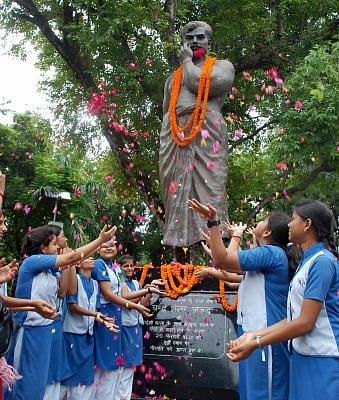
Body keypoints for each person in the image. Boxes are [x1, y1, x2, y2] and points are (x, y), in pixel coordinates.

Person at [187, 198, 301, 400]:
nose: (258, 221)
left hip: (266, 339)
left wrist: (221, 227)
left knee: (265, 394)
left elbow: (224, 260)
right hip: (254, 336)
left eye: (265, 219)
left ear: (268, 232)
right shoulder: (268, 255)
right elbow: (229, 269)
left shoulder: (271, 253)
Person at [227, 199, 339, 400]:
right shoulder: (307, 261)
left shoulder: (322, 262)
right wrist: (253, 335)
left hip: (322, 359)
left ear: (307, 224)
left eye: (294, 219)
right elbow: (294, 318)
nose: (289, 223)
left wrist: (257, 342)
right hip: (302, 355)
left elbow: (305, 323)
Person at [4, 223, 117, 400]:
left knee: (38, 388)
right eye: (54, 243)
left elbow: (73, 265)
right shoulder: (32, 262)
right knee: (24, 387)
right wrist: (100, 240)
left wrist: (78, 257)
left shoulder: (50, 270)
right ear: (43, 247)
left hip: (46, 331)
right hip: (29, 332)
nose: (58, 247)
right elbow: (72, 258)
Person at [159, 21, 235, 257]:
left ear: (208, 42)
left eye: (199, 37)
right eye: (189, 38)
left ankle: (213, 255)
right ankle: (178, 256)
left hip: (206, 134)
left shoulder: (222, 67)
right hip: (175, 135)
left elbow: (198, 83)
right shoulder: (174, 78)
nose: (194, 42)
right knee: (174, 196)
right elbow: (166, 110)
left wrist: (186, 61)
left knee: (211, 190)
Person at [91, 240, 152, 400]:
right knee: (103, 364)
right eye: (105, 246)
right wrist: (136, 305)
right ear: (98, 249)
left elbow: (124, 293)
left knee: (114, 365)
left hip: (117, 317)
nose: (109, 248)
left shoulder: (116, 269)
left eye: (112, 245)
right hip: (106, 315)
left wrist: (148, 290)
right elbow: (108, 294)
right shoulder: (98, 265)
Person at [62, 256, 118, 400]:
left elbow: (95, 308)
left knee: (86, 377)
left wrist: (105, 322)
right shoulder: (75, 280)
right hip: (73, 333)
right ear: (79, 264)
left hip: (88, 334)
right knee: (72, 376)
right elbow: (73, 307)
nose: (92, 259)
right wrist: (95, 314)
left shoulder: (94, 283)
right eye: (88, 258)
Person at [116, 255, 166, 400]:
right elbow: (130, 299)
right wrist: (147, 289)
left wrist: (149, 290)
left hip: (135, 328)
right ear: (120, 268)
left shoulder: (136, 284)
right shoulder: (120, 284)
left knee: (130, 367)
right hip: (125, 328)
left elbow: (142, 305)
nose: (130, 268)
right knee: (123, 368)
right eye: (126, 266)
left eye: (131, 265)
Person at [43, 222, 77, 400]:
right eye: (61, 236)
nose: (65, 239)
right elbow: (62, 292)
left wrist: (69, 261)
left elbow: (72, 290)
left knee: (55, 378)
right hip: (43, 326)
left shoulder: (61, 261)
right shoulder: (46, 265)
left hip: (57, 324)